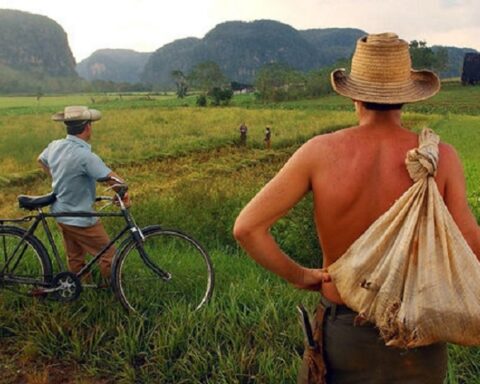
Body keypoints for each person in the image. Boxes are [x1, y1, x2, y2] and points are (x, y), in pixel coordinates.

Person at [233, 33, 480, 383]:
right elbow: (470, 243)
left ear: (353, 95)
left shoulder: (319, 153)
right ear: (406, 96)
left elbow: (247, 228)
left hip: (342, 334)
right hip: (417, 336)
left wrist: (301, 276)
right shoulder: (440, 159)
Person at [38, 106, 129, 284]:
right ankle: (115, 294)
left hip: (62, 213)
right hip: (80, 217)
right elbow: (112, 179)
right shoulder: (85, 156)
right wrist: (124, 192)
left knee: (75, 257)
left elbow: (40, 160)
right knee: (110, 255)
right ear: (87, 127)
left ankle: (82, 290)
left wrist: (58, 177)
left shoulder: (55, 145)